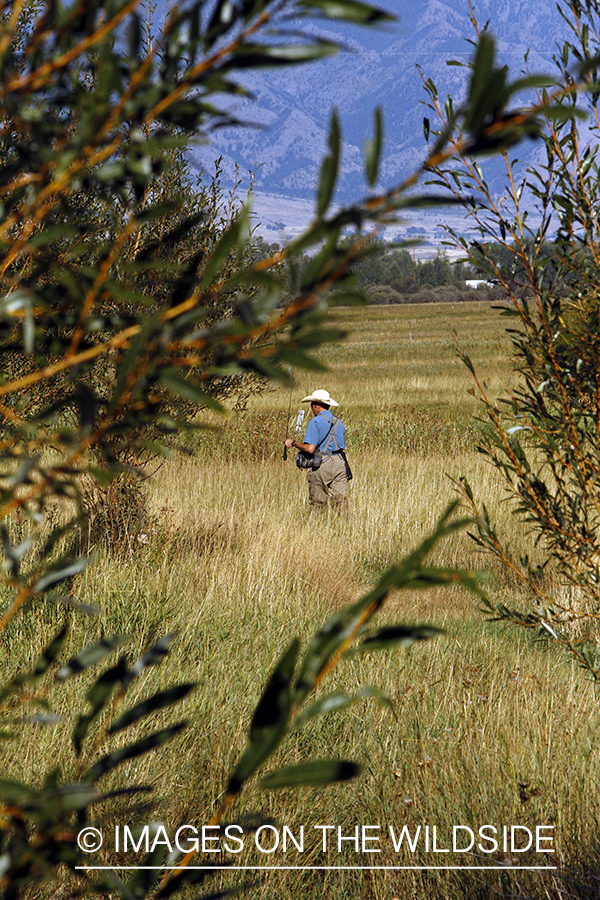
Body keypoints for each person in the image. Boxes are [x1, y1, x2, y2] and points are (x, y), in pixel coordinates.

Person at [284, 389, 349, 512]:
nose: (311, 408)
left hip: (322, 463)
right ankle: (342, 528)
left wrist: (293, 443)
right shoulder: (338, 421)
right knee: (340, 502)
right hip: (340, 463)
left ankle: (317, 526)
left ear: (317, 405)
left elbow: (310, 448)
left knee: (318, 503)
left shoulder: (315, 422)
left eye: (311, 405)